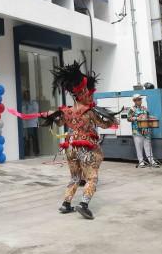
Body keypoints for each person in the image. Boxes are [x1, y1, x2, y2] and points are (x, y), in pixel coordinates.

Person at [40, 61, 116, 220]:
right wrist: (113, 121)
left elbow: (60, 122)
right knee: (92, 177)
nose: (90, 94)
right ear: (82, 92)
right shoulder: (89, 111)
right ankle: (84, 205)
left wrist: (52, 115)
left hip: (70, 146)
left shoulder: (66, 111)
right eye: (88, 92)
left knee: (75, 177)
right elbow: (104, 124)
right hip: (86, 147)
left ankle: (66, 204)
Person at [127, 94, 160, 168]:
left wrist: (152, 117)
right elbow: (128, 118)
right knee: (139, 146)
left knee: (148, 146)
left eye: (140, 99)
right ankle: (141, 161)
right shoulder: (132, 109)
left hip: (146, 130)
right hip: (137, 131)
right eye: (138, 100)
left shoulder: (145, 108)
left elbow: (147, 116)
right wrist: (137, 118)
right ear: (134, 101)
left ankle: (151, 161)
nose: (139, 101)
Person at [22, 90, 40, 157]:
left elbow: (35, 112)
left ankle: (36, 152)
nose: (26, 96)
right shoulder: (22, 103)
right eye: (25, 95)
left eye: (27, 95)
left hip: (33, 124)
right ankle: (27, 153)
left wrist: (27, 115)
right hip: (25, 124)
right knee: (26, 139)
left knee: (34, 138)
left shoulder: (34, 103)